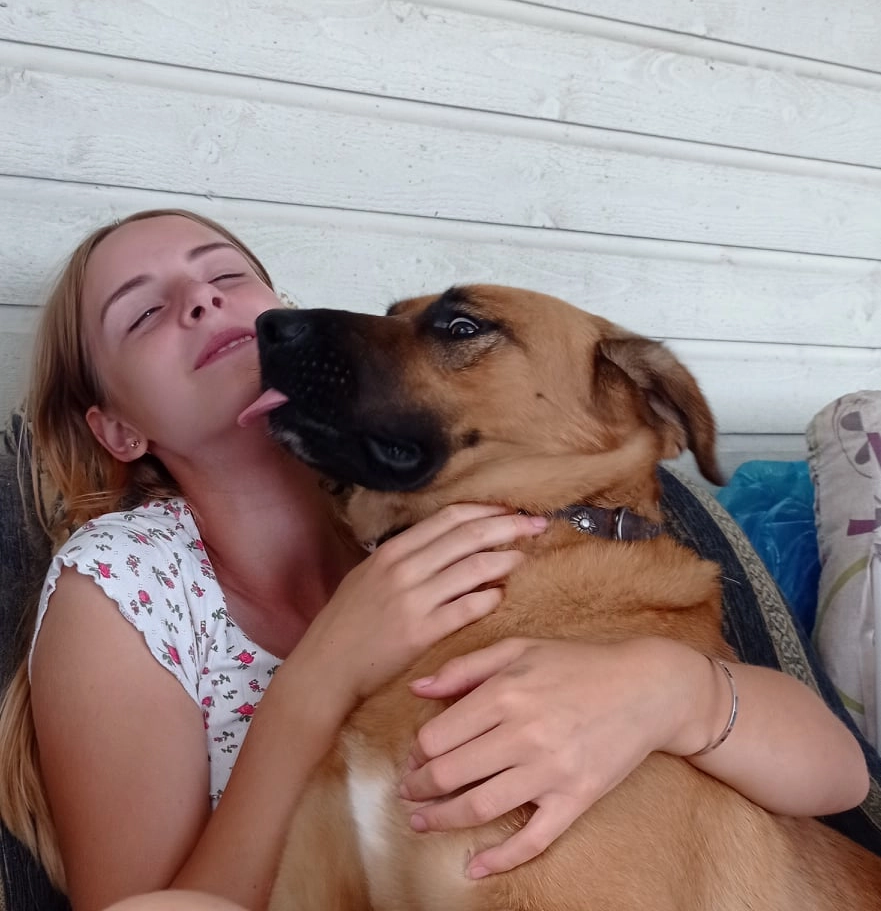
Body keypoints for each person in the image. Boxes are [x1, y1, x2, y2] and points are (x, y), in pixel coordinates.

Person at [0, 209, 868, 911]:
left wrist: (673, 688)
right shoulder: (129, 582)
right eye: (143, 313)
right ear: (117, 428)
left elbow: (838, 776)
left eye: (226, 276)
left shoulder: (467, 516)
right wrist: (320, 673)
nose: (199, 302)